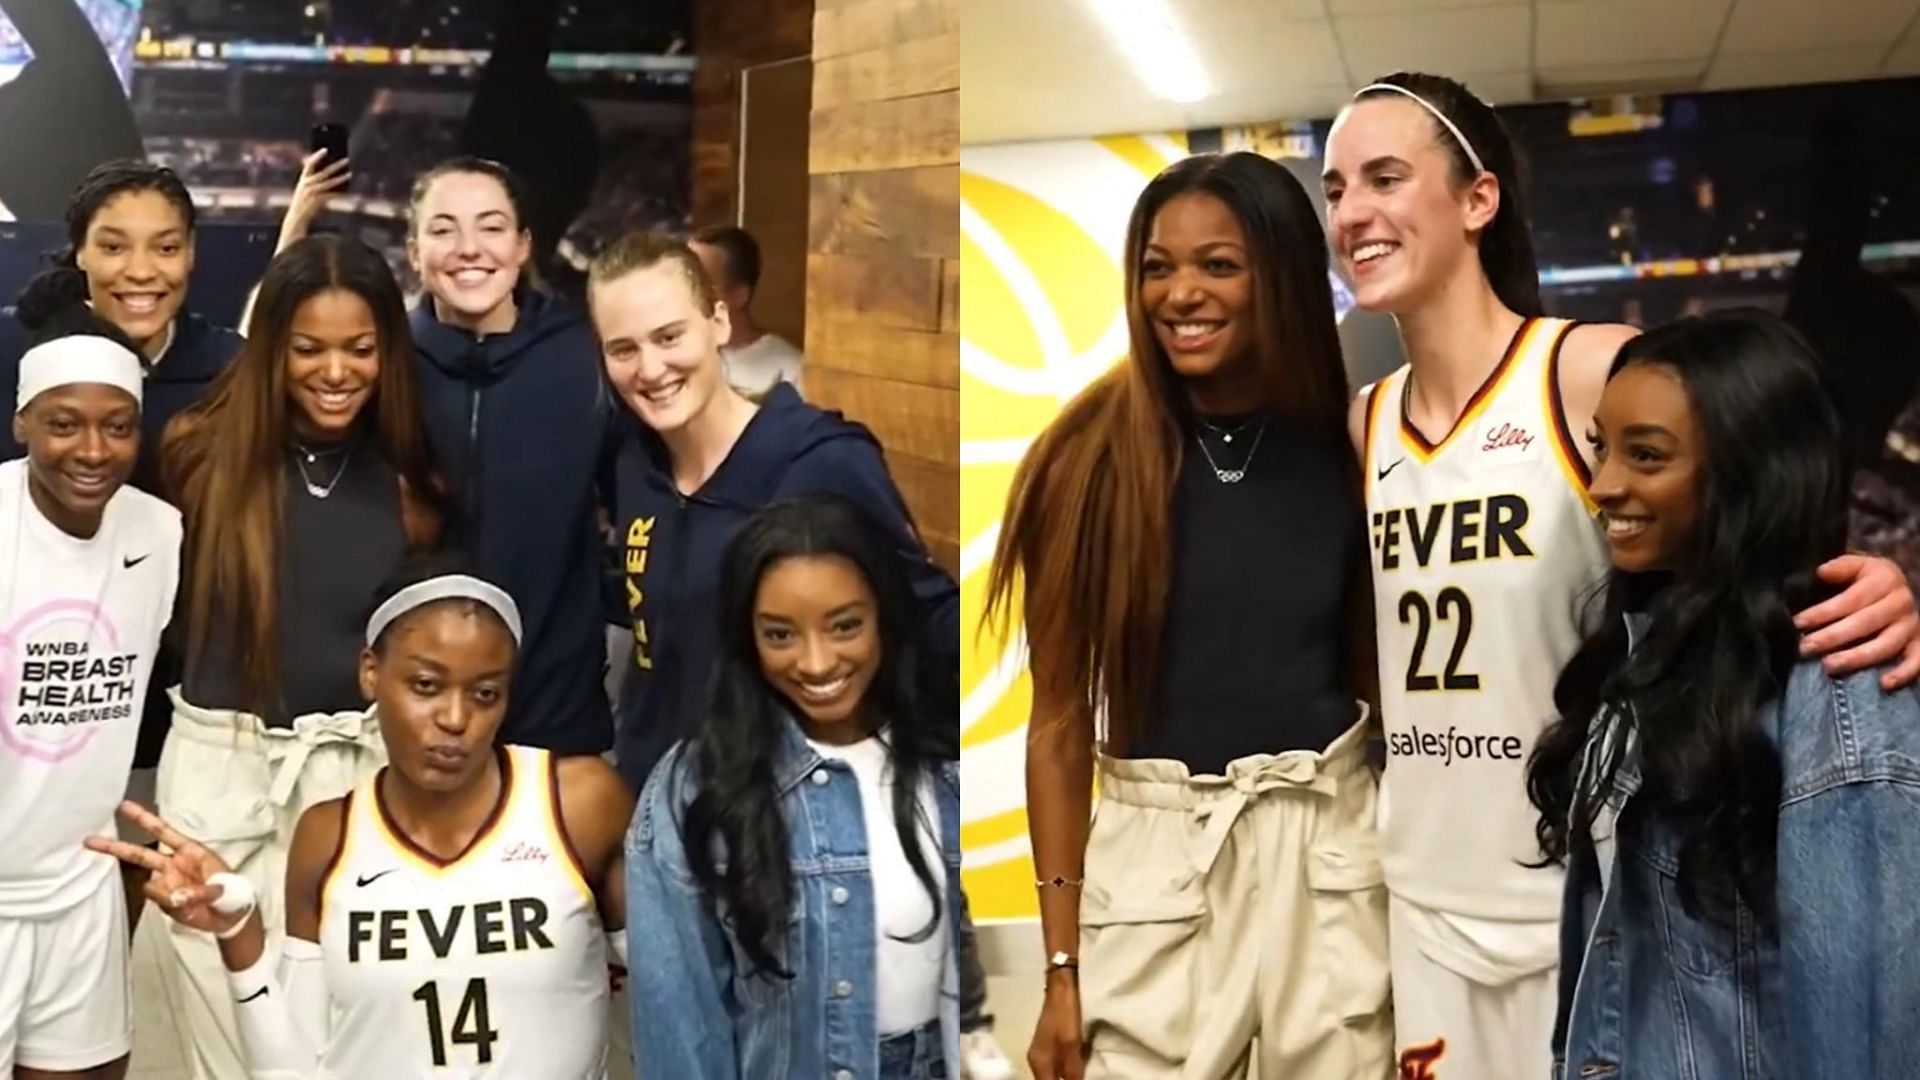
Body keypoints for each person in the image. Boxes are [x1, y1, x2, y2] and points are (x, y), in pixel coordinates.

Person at [1320, 71, 1920, 1079]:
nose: (1353, 211)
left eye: (1385, 177)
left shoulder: (1586, 368)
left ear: (1478, 199)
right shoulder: (1360, 420)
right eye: (1334, 188)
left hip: (1588, 891)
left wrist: (1884, 588)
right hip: (1424, 892)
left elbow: (1753, 512)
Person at [986, 152, 1388, 1080]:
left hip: (1329, 846)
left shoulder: (1358, 446)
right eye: (1158, 266)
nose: (1180, 293)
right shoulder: (1084, 460)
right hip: (1155, 862)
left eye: (1218, 264)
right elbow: (1055, 727)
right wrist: (1060, 971)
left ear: (1282, 276)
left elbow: (1380, 691)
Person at [1527, 311, 1920, 1077]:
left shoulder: (1837, 694)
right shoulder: (1651, 651)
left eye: (1646, 455)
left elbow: (1868, 1035)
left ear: (1748, 472)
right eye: (1602, 447)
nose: (1604, 485)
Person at [87, 559, 633, 1079]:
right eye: (426, 686)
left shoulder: (577, 805)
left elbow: (673, 986)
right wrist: (239, 935)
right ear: (371, 673)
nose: (454, 718)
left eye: (485, 693)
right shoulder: (330, 837)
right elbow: (291, 1068)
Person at [148, 234, 442, 1080]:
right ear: (272, 343)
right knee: (219, 1028)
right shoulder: (196, 451)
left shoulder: (413, 482)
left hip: (358, 780)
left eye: (360, 348)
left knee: (340, 1039)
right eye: (308, 348)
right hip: (219, 778)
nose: (336, 371)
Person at [587, 230, 956, 795]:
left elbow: (929, 623)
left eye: (669, 336)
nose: (651, 368)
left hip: (789, 820)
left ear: (718, 323)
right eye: (624, 349)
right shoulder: (636, 466)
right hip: (660, 811)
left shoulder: (822, 459)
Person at [278, 154, 616, 757]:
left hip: (553, 716)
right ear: (413, 253)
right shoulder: (382, 361)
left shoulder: (585, 359)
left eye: (490, 227)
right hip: (407, 721)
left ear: (522, 246)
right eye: (442, 229)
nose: (468, 248)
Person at [626, 495, 961, 1079]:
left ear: (884, 614)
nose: (816, 662)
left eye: (845, 626)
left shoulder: (947, 764)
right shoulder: (695, 787)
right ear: (746, 638)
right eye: (780, 635)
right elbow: (680, 1026)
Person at [1, 160, 245, 917]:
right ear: (78, 251)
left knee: (148, 945)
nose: (141, 271)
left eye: (165, 248)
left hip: (179, 711)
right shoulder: (19, 354)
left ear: (194, 254)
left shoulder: (231, 370)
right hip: (35, 716)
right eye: (113, 246)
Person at [0, 310, 181, 1079]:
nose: (94, 451)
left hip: (81, 887)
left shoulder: (159, 531)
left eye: (118, 427)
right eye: (64, 425)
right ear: (22, 424)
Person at [689, 224, 804, 398]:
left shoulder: (792, 370)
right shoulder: (676, 354)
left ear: (738, 296)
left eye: (701, 283)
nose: (687, 292)